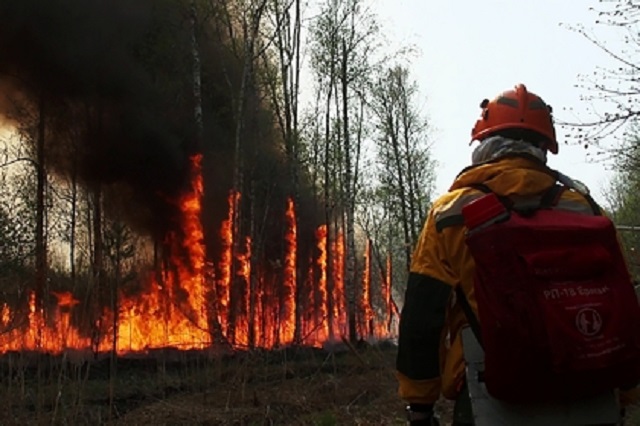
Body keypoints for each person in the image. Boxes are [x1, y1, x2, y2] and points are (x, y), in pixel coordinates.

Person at [395, 84, 640, 425]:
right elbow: (621, 307)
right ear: (543, 148)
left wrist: (419, 406)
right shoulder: (583, 209)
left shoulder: (451, 212)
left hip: (490, 401)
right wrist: (626, 392)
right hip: (592, 395)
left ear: (483, 144)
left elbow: (423, 317)